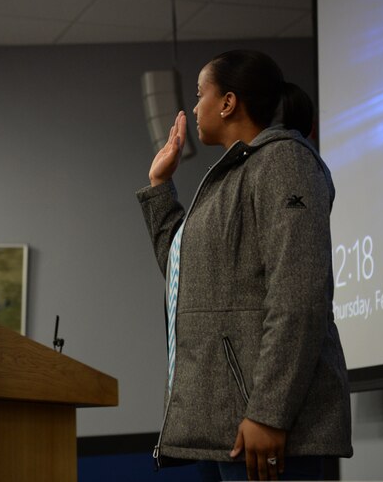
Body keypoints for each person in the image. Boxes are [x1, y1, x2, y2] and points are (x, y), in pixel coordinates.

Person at [136, 50, 352, 481]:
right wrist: (160, 186)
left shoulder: (285, 161)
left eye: (200, 95)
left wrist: (270, 412)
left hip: (265, 429)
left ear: (228, 103)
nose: (194, 107)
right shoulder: (231, 175)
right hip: (223, 428)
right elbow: (186, 281)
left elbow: (300, 294)